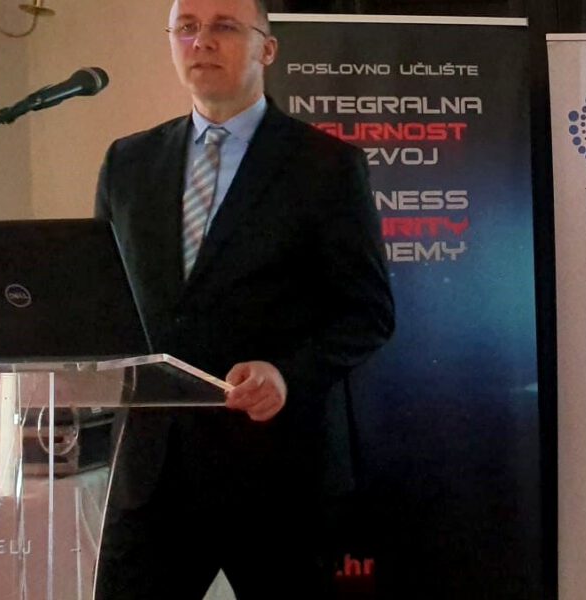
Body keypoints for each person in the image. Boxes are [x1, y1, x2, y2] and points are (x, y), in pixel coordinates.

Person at [93, 0, 394, 597]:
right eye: (186, 28)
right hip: (154, 476)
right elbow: (104, 300)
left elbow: (368, 313)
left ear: (267, 48)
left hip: (278, 476)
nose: (201, 41)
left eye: (224, 27)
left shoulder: (327, 166)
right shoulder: (127, 162)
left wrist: (286, 373)